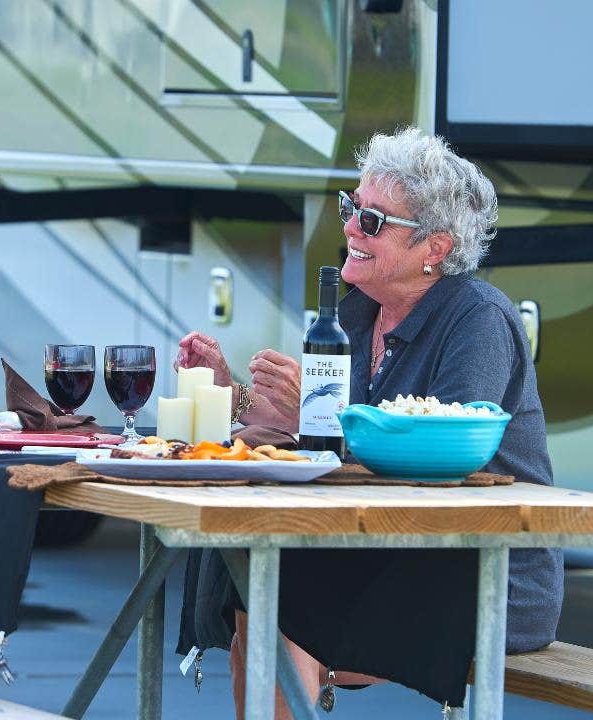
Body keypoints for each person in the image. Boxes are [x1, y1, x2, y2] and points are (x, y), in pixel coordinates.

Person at [176, 127, 562, 716]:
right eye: (350, 208)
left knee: (278, 612)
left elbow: (451, 465)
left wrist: (326, 414)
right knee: (260, 598)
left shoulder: (478, 319)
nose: (351, 229)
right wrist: (230, 394)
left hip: (481, 573)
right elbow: (315, 436)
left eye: (374, 221)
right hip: (385, 550)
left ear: (435, 248)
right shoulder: (358, 316)